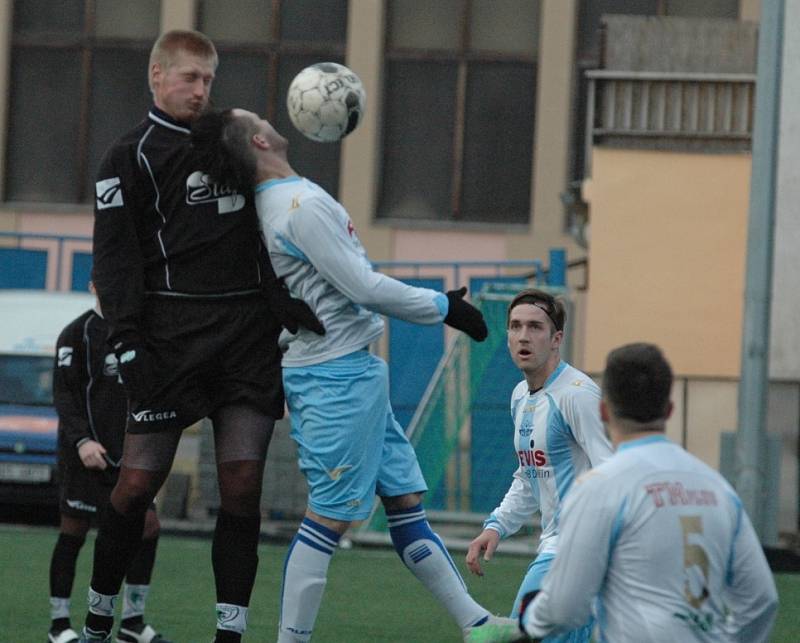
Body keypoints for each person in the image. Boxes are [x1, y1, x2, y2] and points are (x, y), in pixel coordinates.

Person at [190, 108, 521, 643]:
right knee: (330, 518)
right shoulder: (297, 207)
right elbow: (363, 286)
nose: (272, 118)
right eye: (258, 117)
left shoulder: (284, 201)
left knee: (405, 503)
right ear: (257, 139)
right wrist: (444, 307)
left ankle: (476, 624)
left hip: (354, 372)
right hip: (331, 379)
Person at [81, 31, 322, 643]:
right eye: (189, 78)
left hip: (245, 338)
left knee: (241, 489)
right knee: (135, 486)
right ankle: (97, 621)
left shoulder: (232, 143)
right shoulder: (127, 155)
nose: (200, 90)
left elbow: (271, 223)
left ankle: (230, 634)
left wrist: (281, 300)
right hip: (169, 340)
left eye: (209, 80)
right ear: (157, 76)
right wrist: (125, 341)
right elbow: (113, 261)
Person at [517, 343, 779, 642]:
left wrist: (527, 625)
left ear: (603, 410)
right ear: (669, 410)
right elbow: (761, 599)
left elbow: (565, 608)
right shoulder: (717, 488)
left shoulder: (600, 487)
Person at [464, 288, 613, 643]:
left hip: (577, 551)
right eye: (515, 327)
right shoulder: (520, 396)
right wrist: (497, 526)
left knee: (519, 635)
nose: (523, 336)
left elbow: (613, 473)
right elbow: (529, 475)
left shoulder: (577, 394)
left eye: (535, 327)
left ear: (557, 338)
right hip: (558, 548)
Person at [48, 281, 170, 643]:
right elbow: (63, 394)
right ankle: (59, 625)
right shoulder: (76, 333)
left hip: (130, 457)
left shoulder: (137, 332)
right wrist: (82, 441)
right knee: (74, 532)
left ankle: (132, 622)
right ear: (93, 286)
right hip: (86, 456)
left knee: (147, 527)